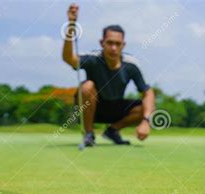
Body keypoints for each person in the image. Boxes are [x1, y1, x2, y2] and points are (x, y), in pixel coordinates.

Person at [62, 3, 155, 146]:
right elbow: (69, 58)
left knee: (145, 107)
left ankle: (112, 131)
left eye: (117, 44)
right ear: (102, 43)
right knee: (87, 86)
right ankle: (89, 134)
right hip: (90, 109)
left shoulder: (131, 65)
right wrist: (71, 25)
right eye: (109, 43)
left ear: (123, 45)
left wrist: (146, 121)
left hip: (116, 109)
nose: (113, 48)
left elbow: (148, 92)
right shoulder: (93, 59)